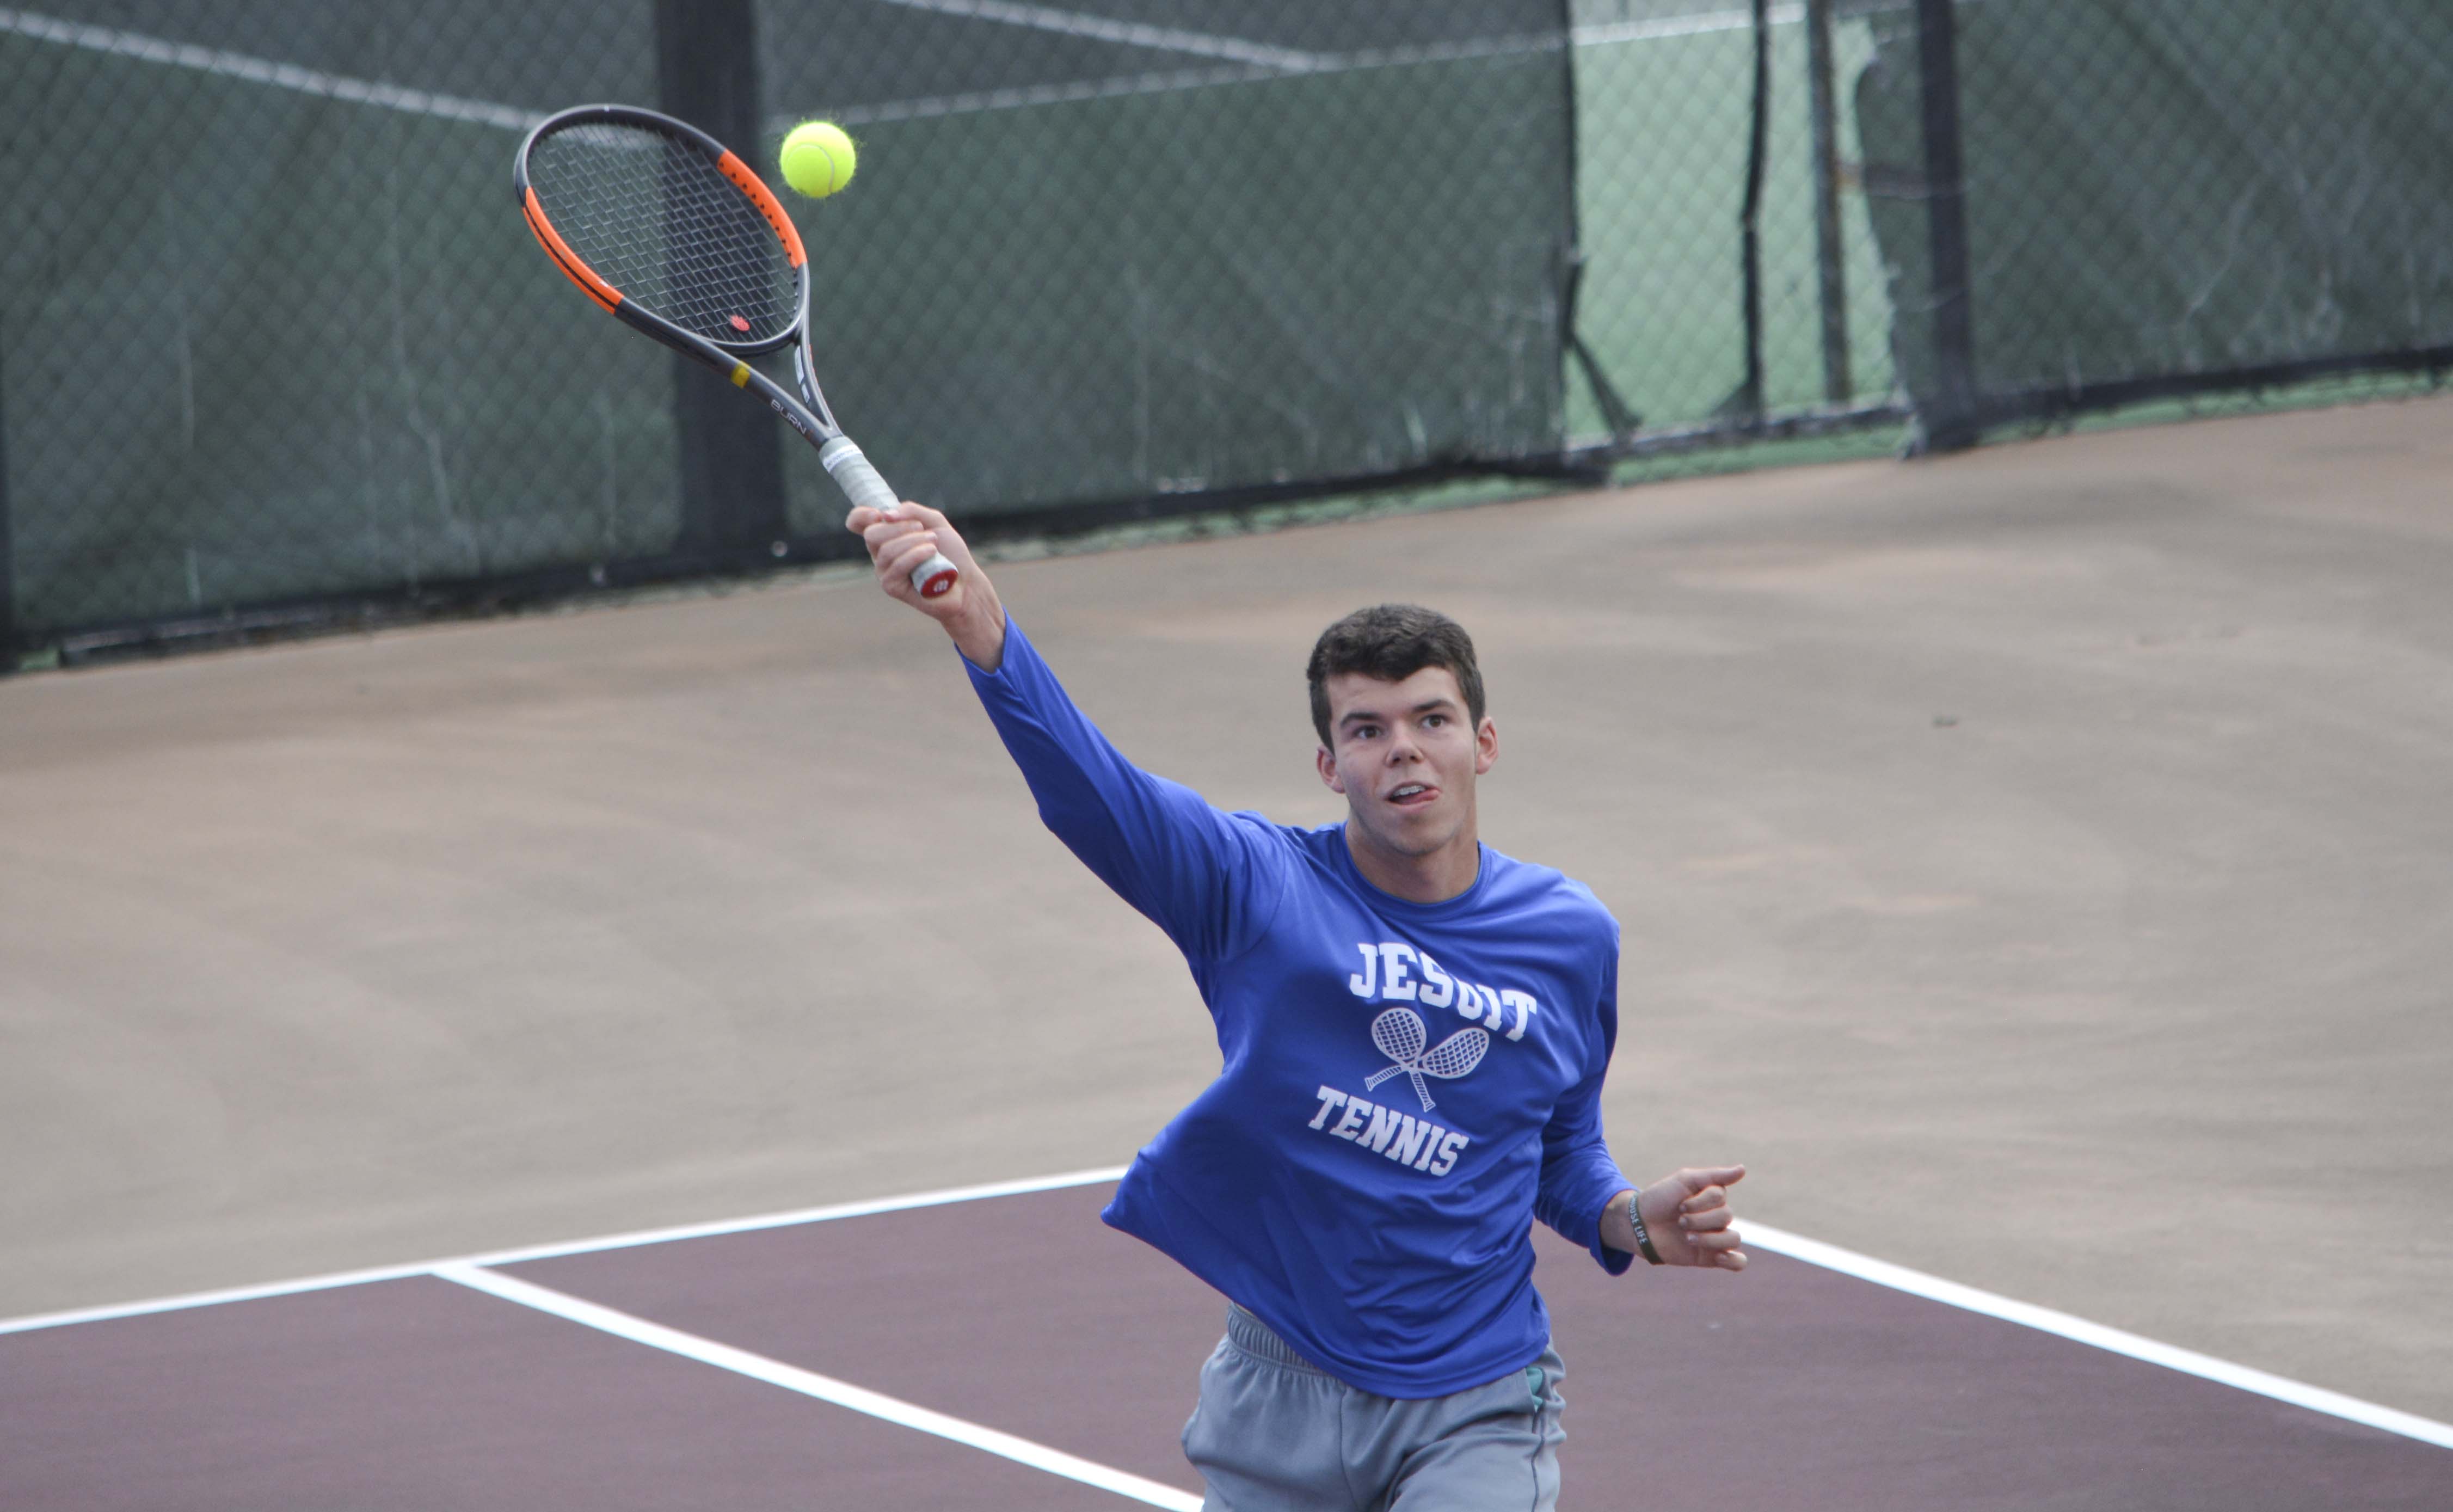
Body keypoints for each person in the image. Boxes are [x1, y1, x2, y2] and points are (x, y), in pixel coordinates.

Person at [849, 500, 1748, 1510]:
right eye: (1367, 729)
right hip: (1280, 1392)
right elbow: (1098, 794)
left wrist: (1624, 1218)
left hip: (1478, 1396)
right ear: (1329, 766)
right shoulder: (1253, 886)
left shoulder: (1571, 936)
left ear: (1484, 741)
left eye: (1432, 719)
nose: (1403, 749)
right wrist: (982, 627)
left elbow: (1555, 1146)